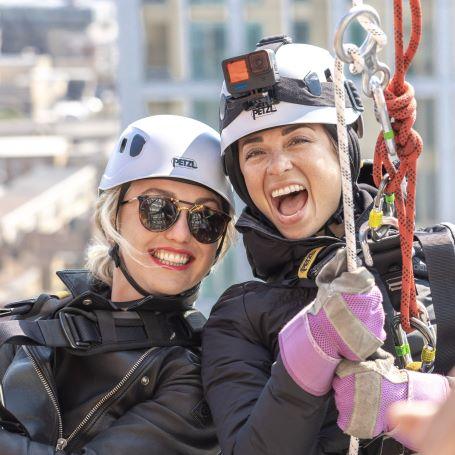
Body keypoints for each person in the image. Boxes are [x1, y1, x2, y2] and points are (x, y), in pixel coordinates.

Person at [202, 36, 453, 455]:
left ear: (344, 150)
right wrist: (310, 352)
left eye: (298, 140)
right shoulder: (239, 319)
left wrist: (413, 397)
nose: (278, 166)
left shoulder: (440, 262)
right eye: (254, 152)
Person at [0, 115, 234, 454]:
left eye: (206, 219)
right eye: (158, 209)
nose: (181, 234)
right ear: (113, 216)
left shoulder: (195, 378)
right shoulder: (39, 318)